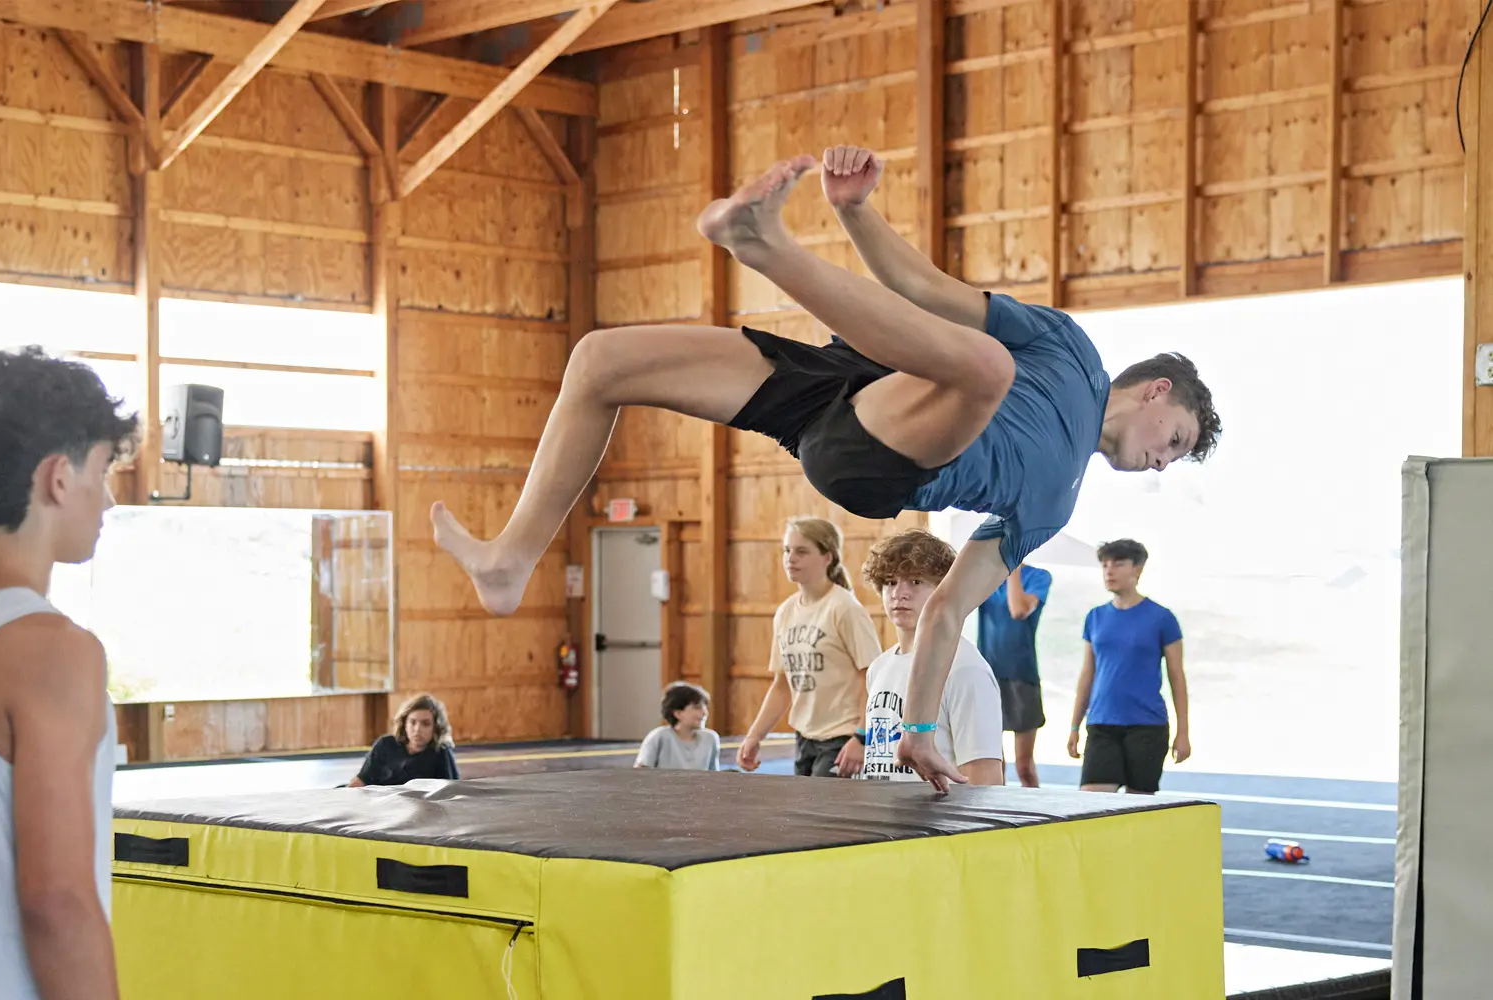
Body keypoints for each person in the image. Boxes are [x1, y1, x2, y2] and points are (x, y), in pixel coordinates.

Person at [429, 144, 1221, 792]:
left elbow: (945, 610)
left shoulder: (1052, 506)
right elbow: (923, 289)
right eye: (1175, 439)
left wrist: (914, 730)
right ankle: (508, 559)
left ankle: (763, 246)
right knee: (599, 361)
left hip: (877, 459)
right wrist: (855, 211)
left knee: (982, 369)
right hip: (839, 385)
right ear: (1157, 391)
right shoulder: (1069, 348)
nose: (1160, 461)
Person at [0, 347, 134, 1000]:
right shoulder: (52, 652)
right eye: (103, 469)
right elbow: (57, 903)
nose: (106, 500)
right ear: (56, 478)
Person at [737, 518, 881, 778]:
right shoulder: (785, 612)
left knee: (824, 816)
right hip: (805, 738)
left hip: (842, 738)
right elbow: (782, 685)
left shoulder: (844, 608)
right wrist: (754, 736)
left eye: (801, 551)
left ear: (827, 557)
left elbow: (872, 677)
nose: (791, 558)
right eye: (787, 550)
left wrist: (862, 737)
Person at [859, 530, 1004, 785]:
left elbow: (985, 779)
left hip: (938, 822)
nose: (899, 594)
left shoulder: (965, 668)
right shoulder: (879, 667)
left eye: (915, 582)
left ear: (944, 589)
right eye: (891, 582)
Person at [1067, 539, 1190, 794]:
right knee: (1091, 805)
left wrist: (1183, 732)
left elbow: (1176, 677)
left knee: (1137, 810)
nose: (1109, 571)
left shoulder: (1162, 618)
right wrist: (1074, 726)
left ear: (1138, 569)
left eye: (1118, 564)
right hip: (1102, 723)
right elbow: (1087, 674)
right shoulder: (1095, 617)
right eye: (1105, 565)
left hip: (1147, 725)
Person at [976, 562, 1053, 787]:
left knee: (1024, 767)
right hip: (988, 676)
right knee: (993, 765)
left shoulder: (1039, 576)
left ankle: (1038, 821)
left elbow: (1018, 610)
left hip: (1022, 674)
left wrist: (1013, 570)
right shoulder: (985, 575)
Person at [348, 693, 460, 787]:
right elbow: (362, 780)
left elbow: (450, 795)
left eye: (426, 724)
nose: (417, 729)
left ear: (436, 727)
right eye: (413, 722)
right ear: (404, 723)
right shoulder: (385, 745)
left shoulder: (441, 753)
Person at [634, 681, 721, 771]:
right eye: (697, 707)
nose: (705, 713)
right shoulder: (659, 737)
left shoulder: (710, 739)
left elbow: (714, 776)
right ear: (678, 713)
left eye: (705, 707)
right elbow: (641, 773)